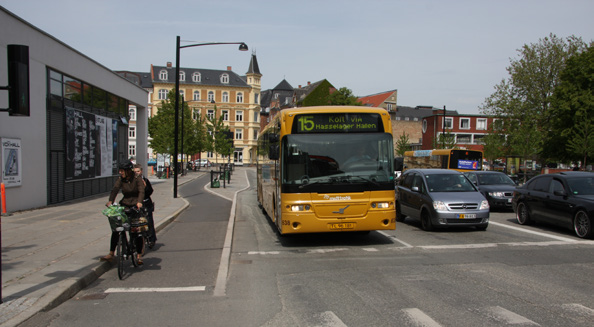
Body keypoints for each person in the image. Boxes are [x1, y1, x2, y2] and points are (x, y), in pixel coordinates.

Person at [102, 161, 145, 264]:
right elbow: (115, 189)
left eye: (122, 170)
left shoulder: (136, 178)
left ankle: (139, 255)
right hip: (125, 204)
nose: (120, 172)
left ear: (128, 171)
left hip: (135, 206)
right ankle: (111, 253)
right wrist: (110, 201)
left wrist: (139, 202)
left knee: (137, 231)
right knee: (117, 229)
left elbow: (141, 191)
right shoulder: (121, 179)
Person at [134, 164, 157, 248]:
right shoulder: (133, 181)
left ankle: (152, 239)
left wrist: (145, 186)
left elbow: (150, 191)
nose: (136, 173)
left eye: (138, 171)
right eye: (135, 171)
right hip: (136, 204)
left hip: (146, 203)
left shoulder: (145, 180)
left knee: (149, 221)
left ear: (141, 171)